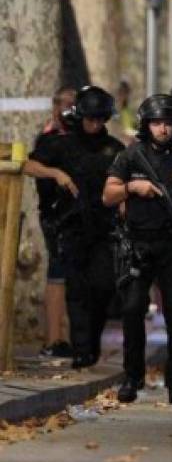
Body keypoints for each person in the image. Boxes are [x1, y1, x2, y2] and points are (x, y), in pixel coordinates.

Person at [103, 94, 172, 405]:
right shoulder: (131, 156)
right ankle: (132, 378)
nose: (162, 128)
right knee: (133, 310)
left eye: (168, 123)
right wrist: (131, 188)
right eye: (156, 123)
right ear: (145, 125)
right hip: (137, 244)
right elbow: (107, 196)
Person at [25, 86, 124, 369]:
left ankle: (91, 340)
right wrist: (55, 172)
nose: (94, 124)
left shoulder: (114, 149)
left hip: (105, 230)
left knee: (104, 287)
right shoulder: (61, 144)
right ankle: (82, 350)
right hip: (71, 228)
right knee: (77, 290)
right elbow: (28, 165)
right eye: (90, 118)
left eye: (99, 119)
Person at [34, 85, 77, 359]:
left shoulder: (81, 138)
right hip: (55, 215)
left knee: (76, 277)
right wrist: (56, 174)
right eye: (66, 105)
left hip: (80, 217)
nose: (69, 110)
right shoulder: (48, 138)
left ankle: (71, 338)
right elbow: (30, 165)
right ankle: (54, 339)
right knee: (58, 273)